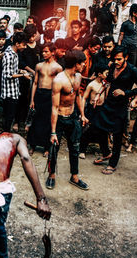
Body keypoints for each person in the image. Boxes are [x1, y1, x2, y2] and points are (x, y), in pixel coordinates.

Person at [91, 46, 137, 174]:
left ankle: (112, 164)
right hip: (108, 103)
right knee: (98, 127)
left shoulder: (133, 70)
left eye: (119, 59)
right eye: (114, 59)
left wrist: (125, 92)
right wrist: (99, 94)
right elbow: (107, 81)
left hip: (120, 106)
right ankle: (106, 153)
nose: (116, 62)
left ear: (126, 57)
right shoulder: (112, 67)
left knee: (117, 136)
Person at [47, 50, 89, 190]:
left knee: (75, 148)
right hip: (59, 118)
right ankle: (52, 175)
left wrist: (82, 114)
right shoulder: (59, 80)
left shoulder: (78, 77)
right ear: (76, 64)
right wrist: (53, 132)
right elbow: (54, 107)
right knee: (54, 148)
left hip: (72, 117)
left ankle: (74, 176)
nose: (84, 65)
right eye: (82, 63)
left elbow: (77, 96)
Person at [27, 43, 63, 156]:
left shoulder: (58, 67)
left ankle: (47, 147)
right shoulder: (39, 66)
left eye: (46, 51)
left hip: (51, 95)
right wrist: (32, 100)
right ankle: (32, 145)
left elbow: (60, 85)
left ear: (52, 52)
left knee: (49, 121)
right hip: (39, 93)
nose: (44, 54)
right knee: (36, 120)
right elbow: (35, 83)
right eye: (43, 52)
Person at [1, 32, 31, 132]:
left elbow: (12, 70)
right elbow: (8, 75)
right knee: (8, 118)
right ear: (17, 44)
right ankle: (5, 137)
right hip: (9, 92)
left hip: (14, 90)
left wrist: (20, 71)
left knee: (10, 116)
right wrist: (23, 75)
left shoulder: (15, 53)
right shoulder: (9, 55)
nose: (25, 47)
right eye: (23, 44)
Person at [79, 64, 111, 159]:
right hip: (92, 109)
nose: (108, 75)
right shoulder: (92, 84)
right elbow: (84, 98)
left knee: (103, 131)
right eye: (106, 73)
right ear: (100, 74)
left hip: (102, 110)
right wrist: (82, 113)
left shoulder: (105, 84)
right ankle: (82, 150)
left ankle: (105, 152)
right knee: (88, 130)